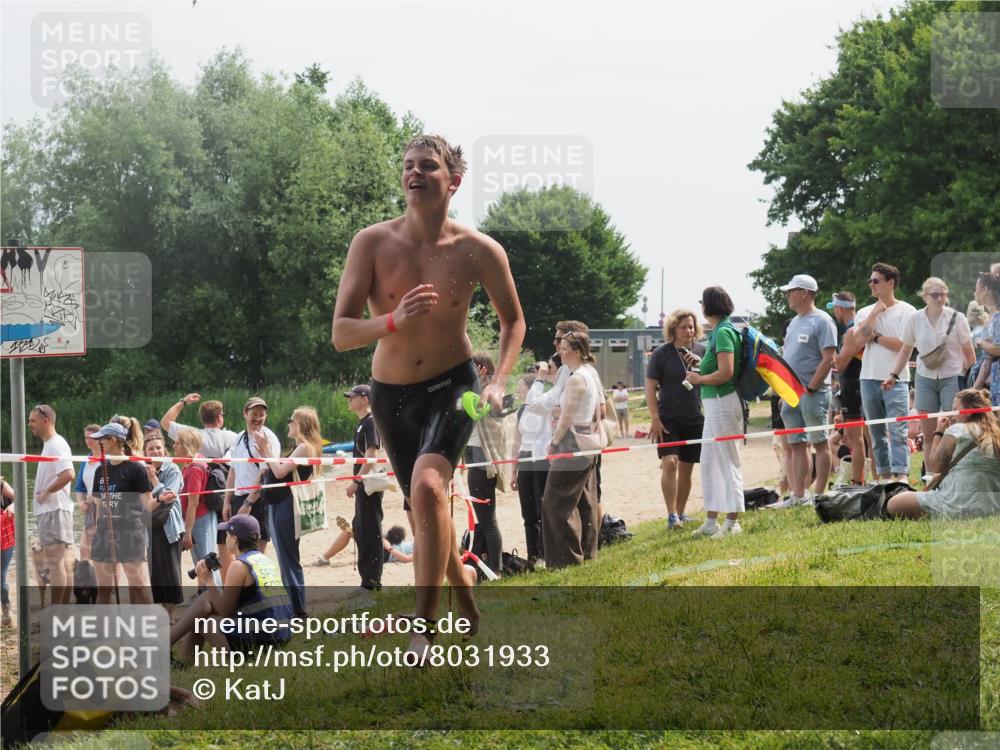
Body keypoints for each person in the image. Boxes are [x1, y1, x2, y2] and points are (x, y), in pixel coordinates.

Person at [332, 133, 525, 656]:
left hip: (452, 386)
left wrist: (499, 380)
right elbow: (342, 333)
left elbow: (513, 321)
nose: (414, 173)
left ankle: (423, 624)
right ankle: (467, 597)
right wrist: (393, 319)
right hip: (390, 396)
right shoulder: (371, 243)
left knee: (428, 488)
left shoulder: (478, 249)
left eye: (428, 166)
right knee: (426, 506)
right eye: (408, 165)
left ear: (453, 181)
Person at [170, 514, 294, 663]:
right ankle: (180, 660)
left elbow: (224, 610)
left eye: (227, 534)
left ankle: (229, 660)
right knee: (207, 601)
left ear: (235, 538)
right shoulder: (266, 560)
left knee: (204, 621)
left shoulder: (239, 565)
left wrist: (208, 580)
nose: (225, 538)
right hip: (282, 634)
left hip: (262, 638)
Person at [883, 277, 975, 473]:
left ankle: (953, 475)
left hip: (952, 376)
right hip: (924, 378)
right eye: (935, 295)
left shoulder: (958, 318)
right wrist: (893, 375)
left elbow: (969, 352)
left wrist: (972, 383)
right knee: (928, 433)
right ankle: (931, 477)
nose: (940, 298)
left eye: (943, 294)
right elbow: (906, 350)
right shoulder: (914, 319)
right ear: (925, 297)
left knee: (954, 429)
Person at [769, 274, 837, 507]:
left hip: (813, 393)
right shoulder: (793, 323)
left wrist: (811, 387)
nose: (788, 295)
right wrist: (785, 391)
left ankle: (819, 495)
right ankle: (799, 495)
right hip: (791, 394)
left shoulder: (823, 321)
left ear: (805, 293)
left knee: (820, 443)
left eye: (791, 291)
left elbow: (829, 358)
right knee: (796, 444)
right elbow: (788, 360)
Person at [536, 330, 602, 568]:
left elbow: (566, 417)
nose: (560, 353)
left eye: (564, 349)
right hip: (586, 440)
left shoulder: (576, 379)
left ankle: (567, 559)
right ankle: (587, 552)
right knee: (584, 500)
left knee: (555, 502)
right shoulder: (587, 374)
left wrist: (554, 442)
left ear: (577, 351)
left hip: (573, 441)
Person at [886, 388, 1000, 519]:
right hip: (993, 507)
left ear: (968, 412)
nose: (951, 415)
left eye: (954, 409)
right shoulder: (996, 435)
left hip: (955, 504)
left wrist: (939, 433)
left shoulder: (957, 429)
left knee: (894, 503)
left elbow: (936, 466)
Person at [253, 406, 324, 616]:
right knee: (285, 556)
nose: (289, 424)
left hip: (287, 505)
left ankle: (297, 609)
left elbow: (279, 471)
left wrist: (266, 450)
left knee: (288, 557)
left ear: (301, 424)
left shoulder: (304, 447)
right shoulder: (302, 447)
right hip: (281, 503)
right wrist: (266, 454)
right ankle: (294, 607)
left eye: (292, 420)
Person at [687, 287, 744, 538]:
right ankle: (711, 520)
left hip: (723, 401)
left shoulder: (723, 332)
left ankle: (732, 523)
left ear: (708, 306)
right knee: (710, 462)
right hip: (714, 404)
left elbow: (726, 372)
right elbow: (718, 368)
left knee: (728, 461)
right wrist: (701, 366)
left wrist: (698, 379)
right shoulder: (719, 332)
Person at [161, 394, 239, 578]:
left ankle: (208, 587)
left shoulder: (193, 435)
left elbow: (165, 422)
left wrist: (183, 401)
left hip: (201, 502)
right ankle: (226, 585)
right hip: (225, 494)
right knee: (224, 545)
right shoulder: (232, 436)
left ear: (202, 418)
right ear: (219, 417)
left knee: (204, 555)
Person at [854, 263, 917, 482]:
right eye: (870, 280)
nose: (871, 284)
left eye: (875, 281)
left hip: (897, 379)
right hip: (868, 378)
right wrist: (874, 313)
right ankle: (886, 478)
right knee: (876, 433)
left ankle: (901, 477)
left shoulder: (908, 311)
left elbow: (904, 345)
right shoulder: (864, 312)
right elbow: (859, 340)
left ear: (890, 283)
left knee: (898, 430)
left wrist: (877, 337)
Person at [645, 308, 706, 529]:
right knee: (669, 463)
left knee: (687, 468)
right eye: (683, 327)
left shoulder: (702, 350)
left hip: (694, 417)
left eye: (691, 326)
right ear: (673, 328)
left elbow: (711, 377)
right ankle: (671, 515)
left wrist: (701, 365)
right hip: (668, 418)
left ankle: (681, 513)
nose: (688, 331)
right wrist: (655, 418)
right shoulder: (661, 353)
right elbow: (650, 387)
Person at [89, 422, 155, 605]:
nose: (98, 443)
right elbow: (99, 506)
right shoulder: (100, 470)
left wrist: (161, 499)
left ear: (113, 440)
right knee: (103, 589)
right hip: (104, 534)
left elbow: (148, 505)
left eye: (102, 439)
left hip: (130, 533)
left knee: (138, 586)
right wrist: (96, 531)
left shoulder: (136, 469)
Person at [465, 353, 509, 577]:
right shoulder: (479, 389)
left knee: (488, 520)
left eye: (472, 367)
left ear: (481, 368)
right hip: (474, 455)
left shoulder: (491, 391)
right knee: (482, 519)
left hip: (484, 459)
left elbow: (487, 414)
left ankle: (496, 569)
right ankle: (484, 564)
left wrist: (478, 384)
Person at [28, 405, 75, 606]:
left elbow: (68, 474)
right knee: (61, 562)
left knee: (56, 564)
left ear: (45, 421)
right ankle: (62, 610)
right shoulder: (51, 444)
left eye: (33, 420)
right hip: (54, 510)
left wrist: (46, 492)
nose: (29, 424)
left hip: (54, 510)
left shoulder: (56, 444)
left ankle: (57, 611)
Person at [223, 397, 279, 563]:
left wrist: (248, 503)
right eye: (254, 414)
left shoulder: (268, 438)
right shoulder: (239, 437)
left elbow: (265, 473)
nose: (258, 418)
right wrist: (227, 501)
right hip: (239, 498)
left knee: (256, 554)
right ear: (245, 414)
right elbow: (233, 470)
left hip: (258, 500)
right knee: (239, 553)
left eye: (262, 414)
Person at [342, 385, 386, 590]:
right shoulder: (363, 423)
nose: (349, 400)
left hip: (368, 484)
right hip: (364, 483)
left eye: (353, 397)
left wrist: (356, 481)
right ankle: (367, 580)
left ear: (365, 399)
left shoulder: (370, 422)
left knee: (370, 530)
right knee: (360, 528)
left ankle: (372, 582)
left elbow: (371, 456)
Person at [173, 429, 221, 586]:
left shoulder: (194, 468)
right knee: (201, 562)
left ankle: (217, 595)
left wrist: (188, 531)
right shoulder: (192, 461)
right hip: (196, 518)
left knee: (207, 561)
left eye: (178, 443)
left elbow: (193, 502)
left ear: (187, 446)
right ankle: (206, 593)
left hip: (200, 519)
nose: (174, 446)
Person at [143, 434, 184, 615]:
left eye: (158, 447)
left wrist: (154, 480)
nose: (155, 451)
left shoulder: (172, 469)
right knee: (156, 571)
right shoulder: (143, 470)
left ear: (164, 450)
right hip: (151, 525)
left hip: (170, 526)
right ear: (145, 452)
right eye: (151, 448)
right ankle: (161, 610)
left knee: (171, 570)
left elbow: (170, 496)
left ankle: (171, 612)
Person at [829, 292, 867, 485]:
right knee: (856, 438)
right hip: (854, 386)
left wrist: (830, 356)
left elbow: (840, 363)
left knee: (855, 438)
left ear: (840, 308)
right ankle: (859, 479)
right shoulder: (857, 327)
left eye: (835, 309)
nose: (835, 313)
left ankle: (857, 482)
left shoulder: (852, 330)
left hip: (854, 386)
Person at [510, 374, 546, 563]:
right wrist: (513, 472)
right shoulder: (520, 411)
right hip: (524, 459)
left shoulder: (543, 407)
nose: (518, 390)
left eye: (521, 386)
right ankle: (532, 555)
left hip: (540, 458)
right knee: (528, 512)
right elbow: (516, 442)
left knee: (542, 510)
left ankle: (544, 554)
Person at [73, 424, 102, 560]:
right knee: (84, 550)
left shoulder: (107, 460)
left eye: (91, 437)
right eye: (86, 438)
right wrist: (80, 503)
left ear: (100, 439)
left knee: (99, 548)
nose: (88, 440)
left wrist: (95, 496)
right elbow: (79, 487)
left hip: (104, 507)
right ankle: (88, 573)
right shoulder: (86, 460)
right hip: (90, 508)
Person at [973, 272, 1000, 405]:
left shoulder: (998, 317)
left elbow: (997, 349)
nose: (974, 293)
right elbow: (988, 359)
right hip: (995, 387)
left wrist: (981, 343)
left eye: (976, 289)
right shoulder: (990, 319)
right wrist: (974, 389)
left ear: (985, 289)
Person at [2, 474, 15, 627]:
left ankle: (6, 612)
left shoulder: (1, 484)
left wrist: (12, 506)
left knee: (1, 577)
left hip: (5, 536)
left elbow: (18, 497)